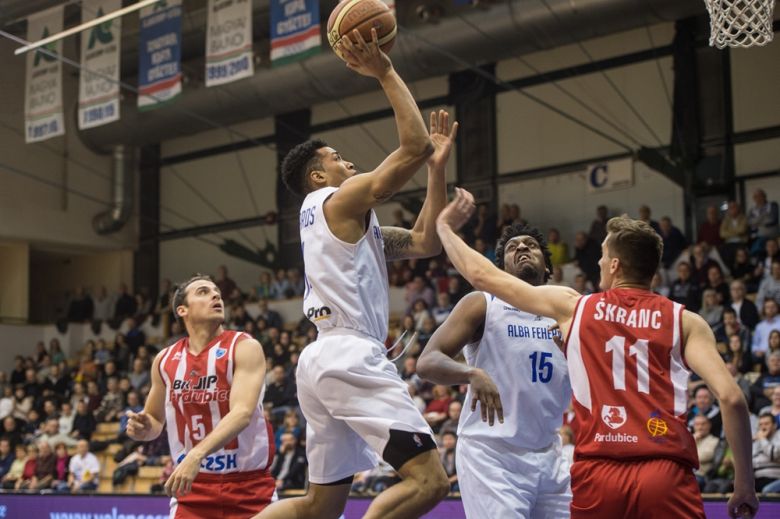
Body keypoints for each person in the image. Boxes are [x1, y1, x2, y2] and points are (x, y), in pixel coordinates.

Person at [435, 188, 758, 519]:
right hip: (665, 469)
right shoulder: (686, 321)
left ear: (615, 265)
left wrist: (444, 228)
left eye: (603, 255)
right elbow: (732, 399)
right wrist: (744, 483)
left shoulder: (578, 308)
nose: (599, 262)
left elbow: (481, 275)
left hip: (600, 472)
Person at [256, 30, 453, 519]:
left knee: (318, 508)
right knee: (430, 482)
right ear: (318, 176)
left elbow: (425, 242)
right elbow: (413, 145)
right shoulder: (336, 200)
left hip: (321, 358)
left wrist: (436, 171)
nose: (348, 162)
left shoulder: (339, 220)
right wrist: (385, 71)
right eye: (336, 158)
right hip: (350, 357)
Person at [418, 222, 571, 518]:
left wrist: (576, 351)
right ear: (500, 270)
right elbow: (427, 361)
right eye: (513, 247)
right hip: (492, 454)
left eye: (531, 245)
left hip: (549, 452)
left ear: (547, 267)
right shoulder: (483, 304)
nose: (522, 247)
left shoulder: (566, 312)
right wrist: (470, 374)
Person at [126, 275, 275, 518]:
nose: (216, 295)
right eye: (203, 292)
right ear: (182, 310)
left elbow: (241, 413)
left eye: (217, 292)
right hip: (191, 488)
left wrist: (196, 454)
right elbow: (154, 420)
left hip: (249, 487)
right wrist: (144, 429)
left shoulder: (244, 346)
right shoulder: (165, 360)